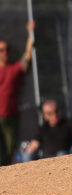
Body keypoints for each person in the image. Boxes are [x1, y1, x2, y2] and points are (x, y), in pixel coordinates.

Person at [0, 20, 34, 166]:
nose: (5, 52)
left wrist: (31, 34)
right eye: (1, 50)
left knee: (8, 150)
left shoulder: (14, 70)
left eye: (7, 49)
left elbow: (26, 58)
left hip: (11, 116)